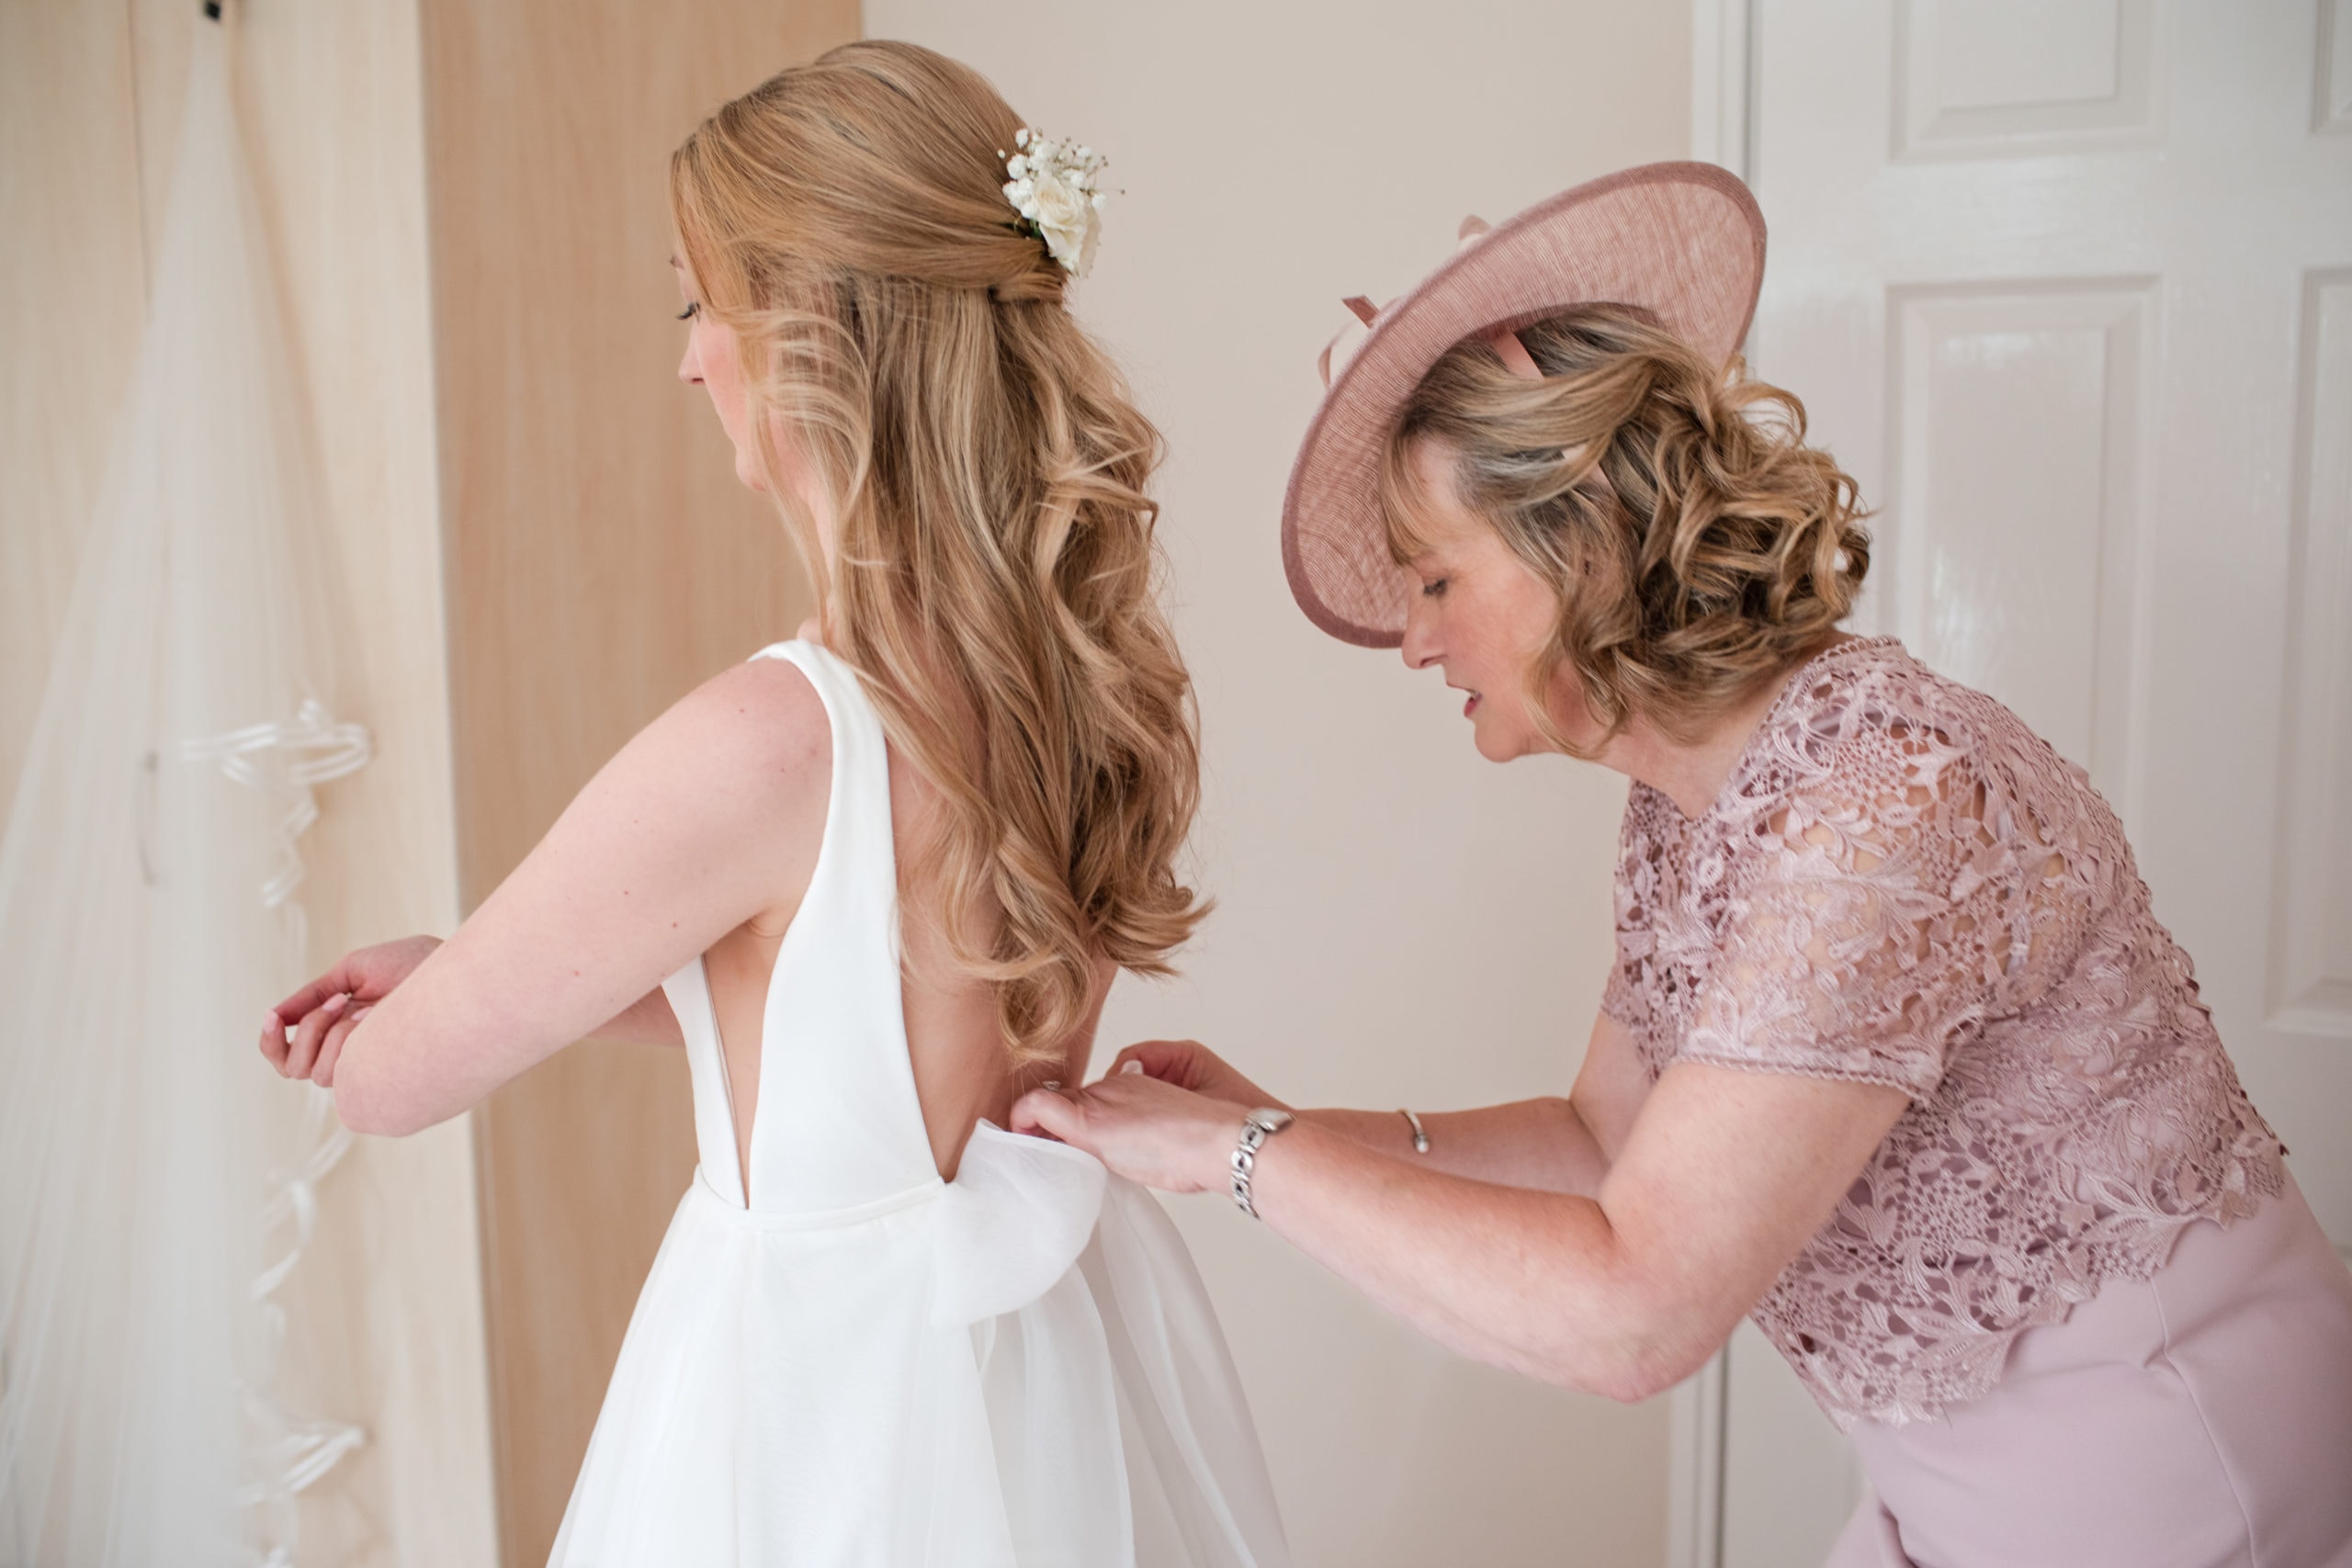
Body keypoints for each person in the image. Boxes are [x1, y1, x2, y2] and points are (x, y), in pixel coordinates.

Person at [1014, 163, 2352, 1567]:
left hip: (2179, 1494)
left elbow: (1634, 1312)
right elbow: (1608, 1146)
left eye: (1434, 581)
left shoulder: (1880, 810)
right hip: (1971, 1501)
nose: (1413, 644)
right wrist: (1304, 1125)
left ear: (1579, 540)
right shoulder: (1695, 803)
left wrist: (1237, 1157)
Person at [262, 41, 1288, 1568]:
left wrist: (455, 988)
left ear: (811, 333)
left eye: (700, 303)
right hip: (1037, 1379)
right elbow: (847, 1037)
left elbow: (385, 1086)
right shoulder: (1076, 683)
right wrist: (485, 961)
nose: (688, 360)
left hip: (826, 1413)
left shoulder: (775, 739)